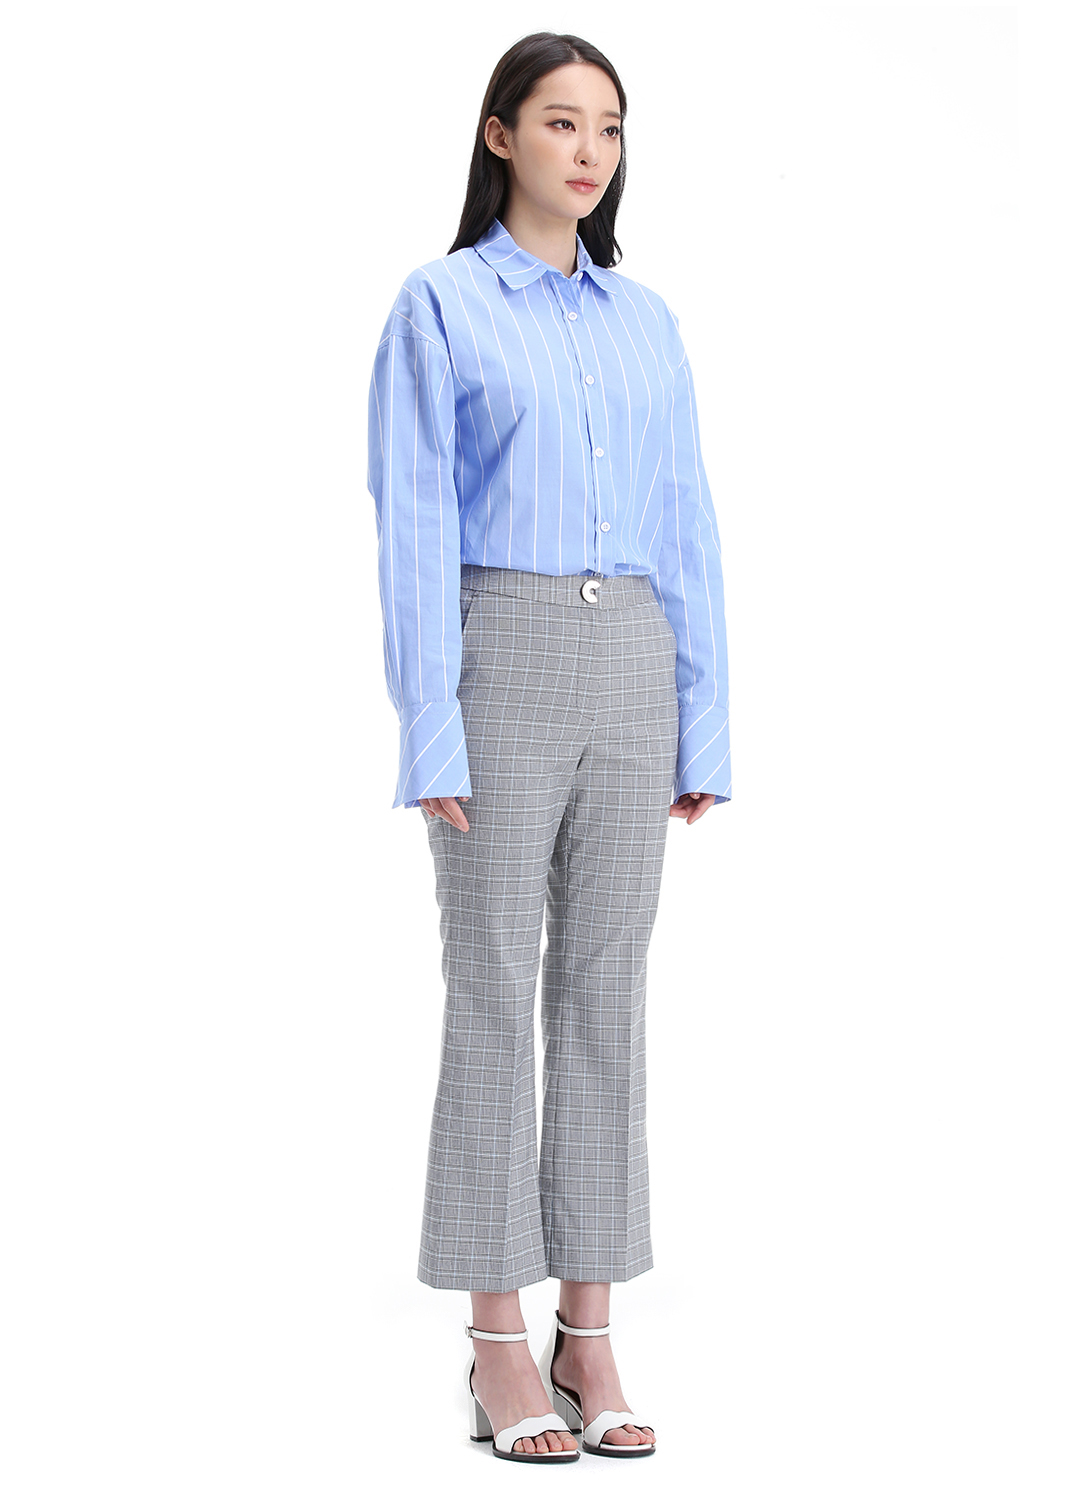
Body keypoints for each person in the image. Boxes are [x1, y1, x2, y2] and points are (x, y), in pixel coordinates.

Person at [366, 31, 731, 1463]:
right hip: (499, 649)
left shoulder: (647, 321)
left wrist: (703, 714)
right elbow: (414, 526)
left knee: (605, 994)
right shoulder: (441, 305)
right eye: (563, 122)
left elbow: (687, 521)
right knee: (488, 994)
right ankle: (496, 1343)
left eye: (611, 128)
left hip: (632, 654)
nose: (590, 151)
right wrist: (430, 725)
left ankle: (592, 1330)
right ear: (500, 134)